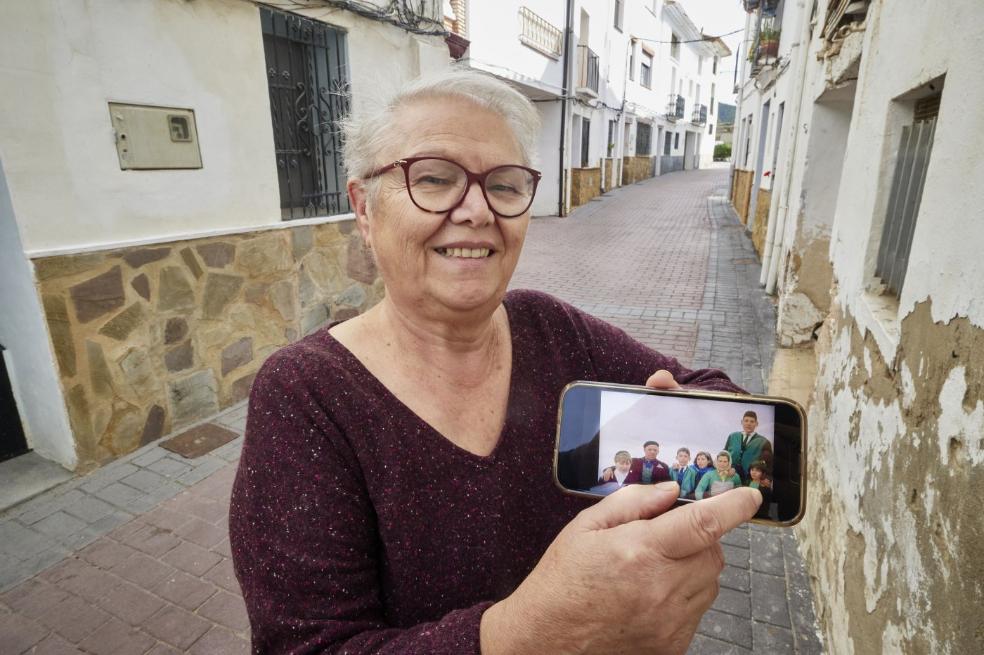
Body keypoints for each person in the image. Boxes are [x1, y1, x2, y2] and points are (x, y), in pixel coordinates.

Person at [229, 68, 761, 654]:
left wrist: (696, 421)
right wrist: (533, 632)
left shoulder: (552, 329)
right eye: (434, 179)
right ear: (364, 207)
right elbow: (306, 645)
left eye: (505, 186)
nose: (478, 211)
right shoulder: (306, 396)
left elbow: (707, 386)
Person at [724, 410, 773, 482]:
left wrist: (767, 478)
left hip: (750, 479)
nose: (748, 423)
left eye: (752, 421)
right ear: (742, 422)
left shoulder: (764, 442)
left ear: (756, 424)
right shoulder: (732, 436)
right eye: (746, 421)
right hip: (731, 477)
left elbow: (769, 464)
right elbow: (724, 454)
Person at [601, 440, 671, 485]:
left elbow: (667, 483)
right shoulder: (634, 461)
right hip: (634, 494)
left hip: (653, 497)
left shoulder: (664, 466)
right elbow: (620, 465)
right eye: (649, 449)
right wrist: (609, 469)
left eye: (655, 450)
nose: (652, 452)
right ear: (644, 450)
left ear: (658, 451)